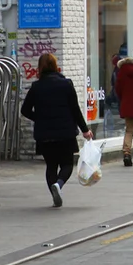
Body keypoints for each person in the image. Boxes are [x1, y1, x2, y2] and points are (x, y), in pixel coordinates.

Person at [20, 53, 93, 207]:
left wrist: (39, 118)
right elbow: (75, 109)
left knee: (51, 165)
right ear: (55, 66)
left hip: (44, 134)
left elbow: (25, 110)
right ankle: (58, 185)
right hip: (65, 133)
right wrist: (85, 130)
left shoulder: (36, 87)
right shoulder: (66, 84)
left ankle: (55, 192)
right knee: (67, 164)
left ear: (40, 68)